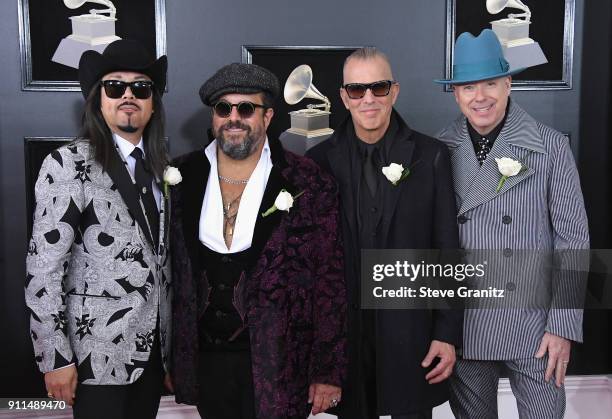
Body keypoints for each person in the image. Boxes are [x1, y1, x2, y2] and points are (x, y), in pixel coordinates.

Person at [169, 63, 347, 419]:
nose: (234, 118)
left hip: (281, 362)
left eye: (246, 108)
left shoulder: (307, 181)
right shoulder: (180, 177)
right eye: (224, 109)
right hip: (207, 363)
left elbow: (330, 280)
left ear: (267, 117)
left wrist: (327, 369)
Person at [435, 29, 589, 418]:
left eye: (490, 83)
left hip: (536, 327)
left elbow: (573, 241)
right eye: (468, 87)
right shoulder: (438, 150)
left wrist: (564, 325)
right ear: (456, 94)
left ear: (508, 84)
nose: (480, 96)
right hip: (467, 325)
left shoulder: (551, 146)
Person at [307, 47, 462, 419]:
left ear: (394, 90)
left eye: (378, 87)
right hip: (346, 338)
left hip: (411, 333)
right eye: (357, 90)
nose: (368, 99)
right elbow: (311, 265)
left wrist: (447, 332)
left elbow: (446, 250)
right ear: (344, 97)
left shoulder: (432, 155)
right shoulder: (317, 162)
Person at [25, 39, 172, 419]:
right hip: (95, 359)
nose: (128, 96)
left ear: (153, 103)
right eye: (115, 86)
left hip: (151, 358)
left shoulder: (163, 170)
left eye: (141, 88)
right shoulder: (67, 164)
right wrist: (54, 358)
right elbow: (43, 270)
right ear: (98, 99)